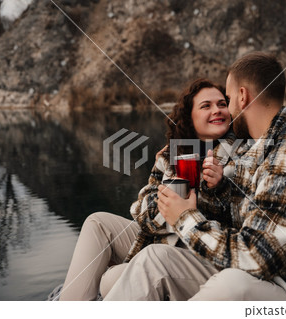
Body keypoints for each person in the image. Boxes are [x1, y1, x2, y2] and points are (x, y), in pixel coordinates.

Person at [104, 52, 286, 301]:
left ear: (242, 96)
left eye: (226, 100)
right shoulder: (267, 144)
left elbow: (255, 257)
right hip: (268, 275)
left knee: (230, 284)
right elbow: (245, 201)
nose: (226, 110)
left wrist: (185, 218)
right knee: (154, 259)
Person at [57, 78, 234, 300]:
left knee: (112, 279)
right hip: (163, 235)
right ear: (190, 116)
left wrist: (215, 188)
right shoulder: (173, 153)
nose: (217, 110)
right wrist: (171, 195)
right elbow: (141, 212)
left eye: (221, 104)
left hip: (199, 251)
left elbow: (235, 220)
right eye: (206, 106)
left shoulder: (241, 152)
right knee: (97, 222)